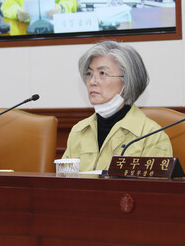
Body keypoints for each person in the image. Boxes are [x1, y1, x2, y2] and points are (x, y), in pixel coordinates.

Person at [62, 41, 172, 172]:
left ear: (128, 80)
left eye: (103, 73)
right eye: (89, 74)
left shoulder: (152, 136)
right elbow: (63, 183)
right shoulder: (78, 132)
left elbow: (154, 191)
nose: (92, 82)